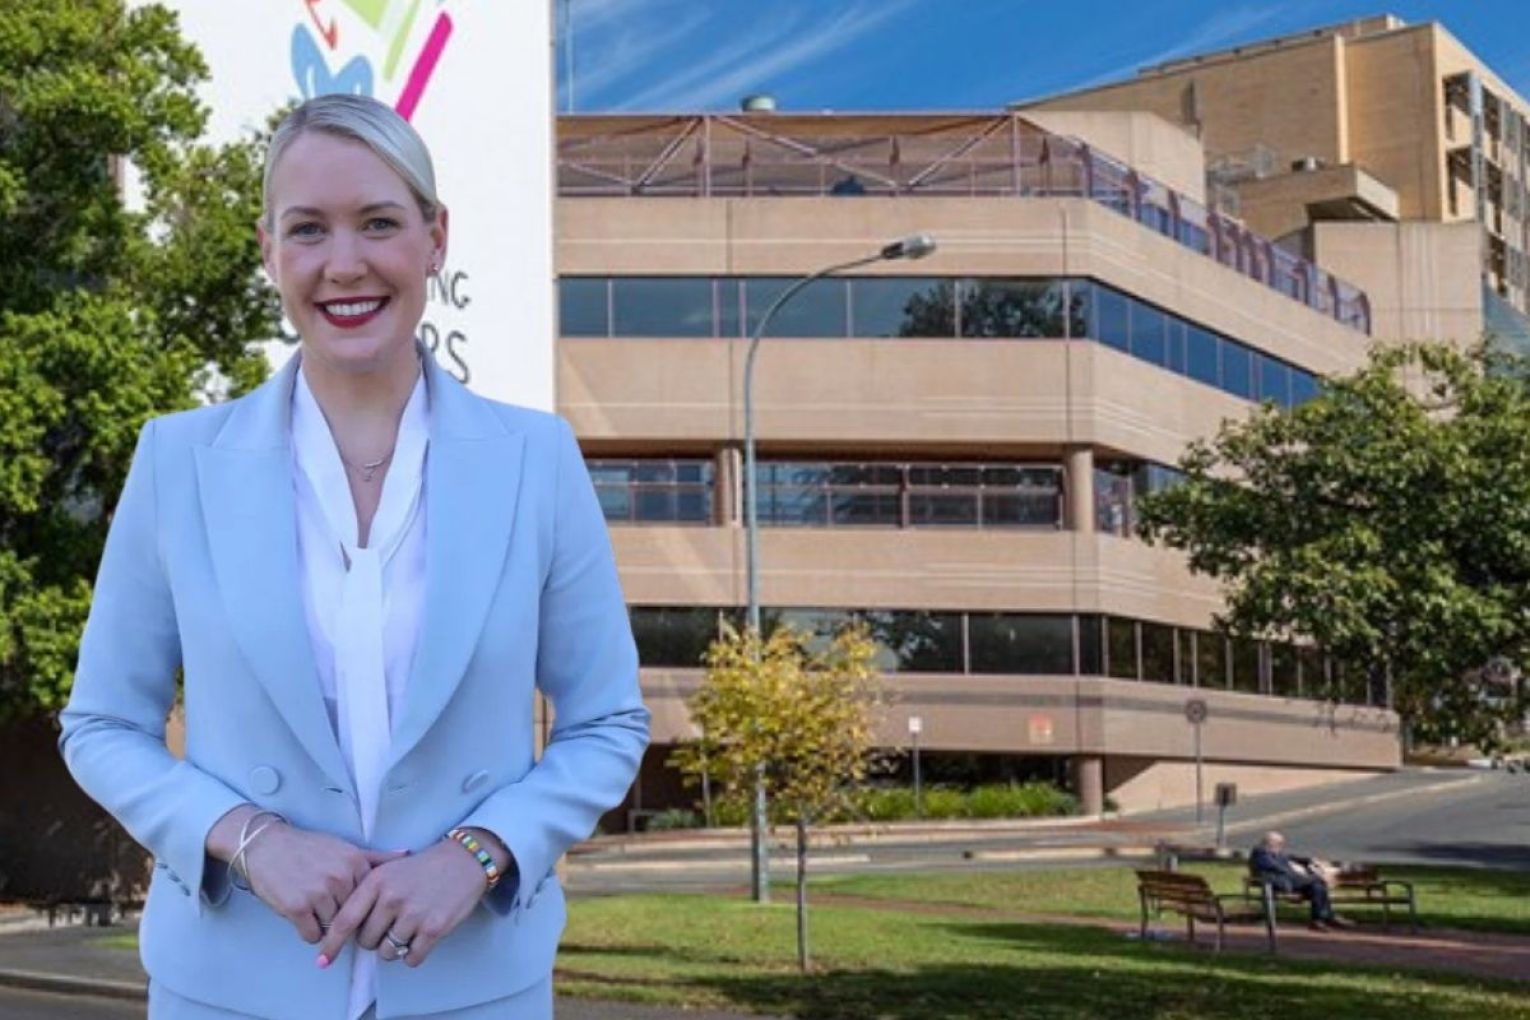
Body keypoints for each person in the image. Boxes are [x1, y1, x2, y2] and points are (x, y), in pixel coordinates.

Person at [58, 93, 650, 1019]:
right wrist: (248, 838)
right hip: (228, 988)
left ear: (434, 237)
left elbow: (606, 722)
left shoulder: (537, 460)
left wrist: (480, 851)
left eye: (378, 222)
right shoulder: (178, 461)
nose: (345, 264)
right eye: (307, 230)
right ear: (269, 250)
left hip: (476, 986)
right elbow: (101, 726)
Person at [1248, 831, 1352, 931]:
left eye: (1281, 844)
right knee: (1318, 879)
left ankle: (1319, 919)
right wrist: (1300, 875)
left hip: (1290, 881)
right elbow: (1281, 870)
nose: (1281, 846)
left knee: (1318, 887)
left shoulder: (1274, 852)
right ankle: (1325, 917)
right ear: (1269, 842)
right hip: (1280, 883)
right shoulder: (1260, 853)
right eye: (1279, 843)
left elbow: (1291, 858)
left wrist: (1310, 860)